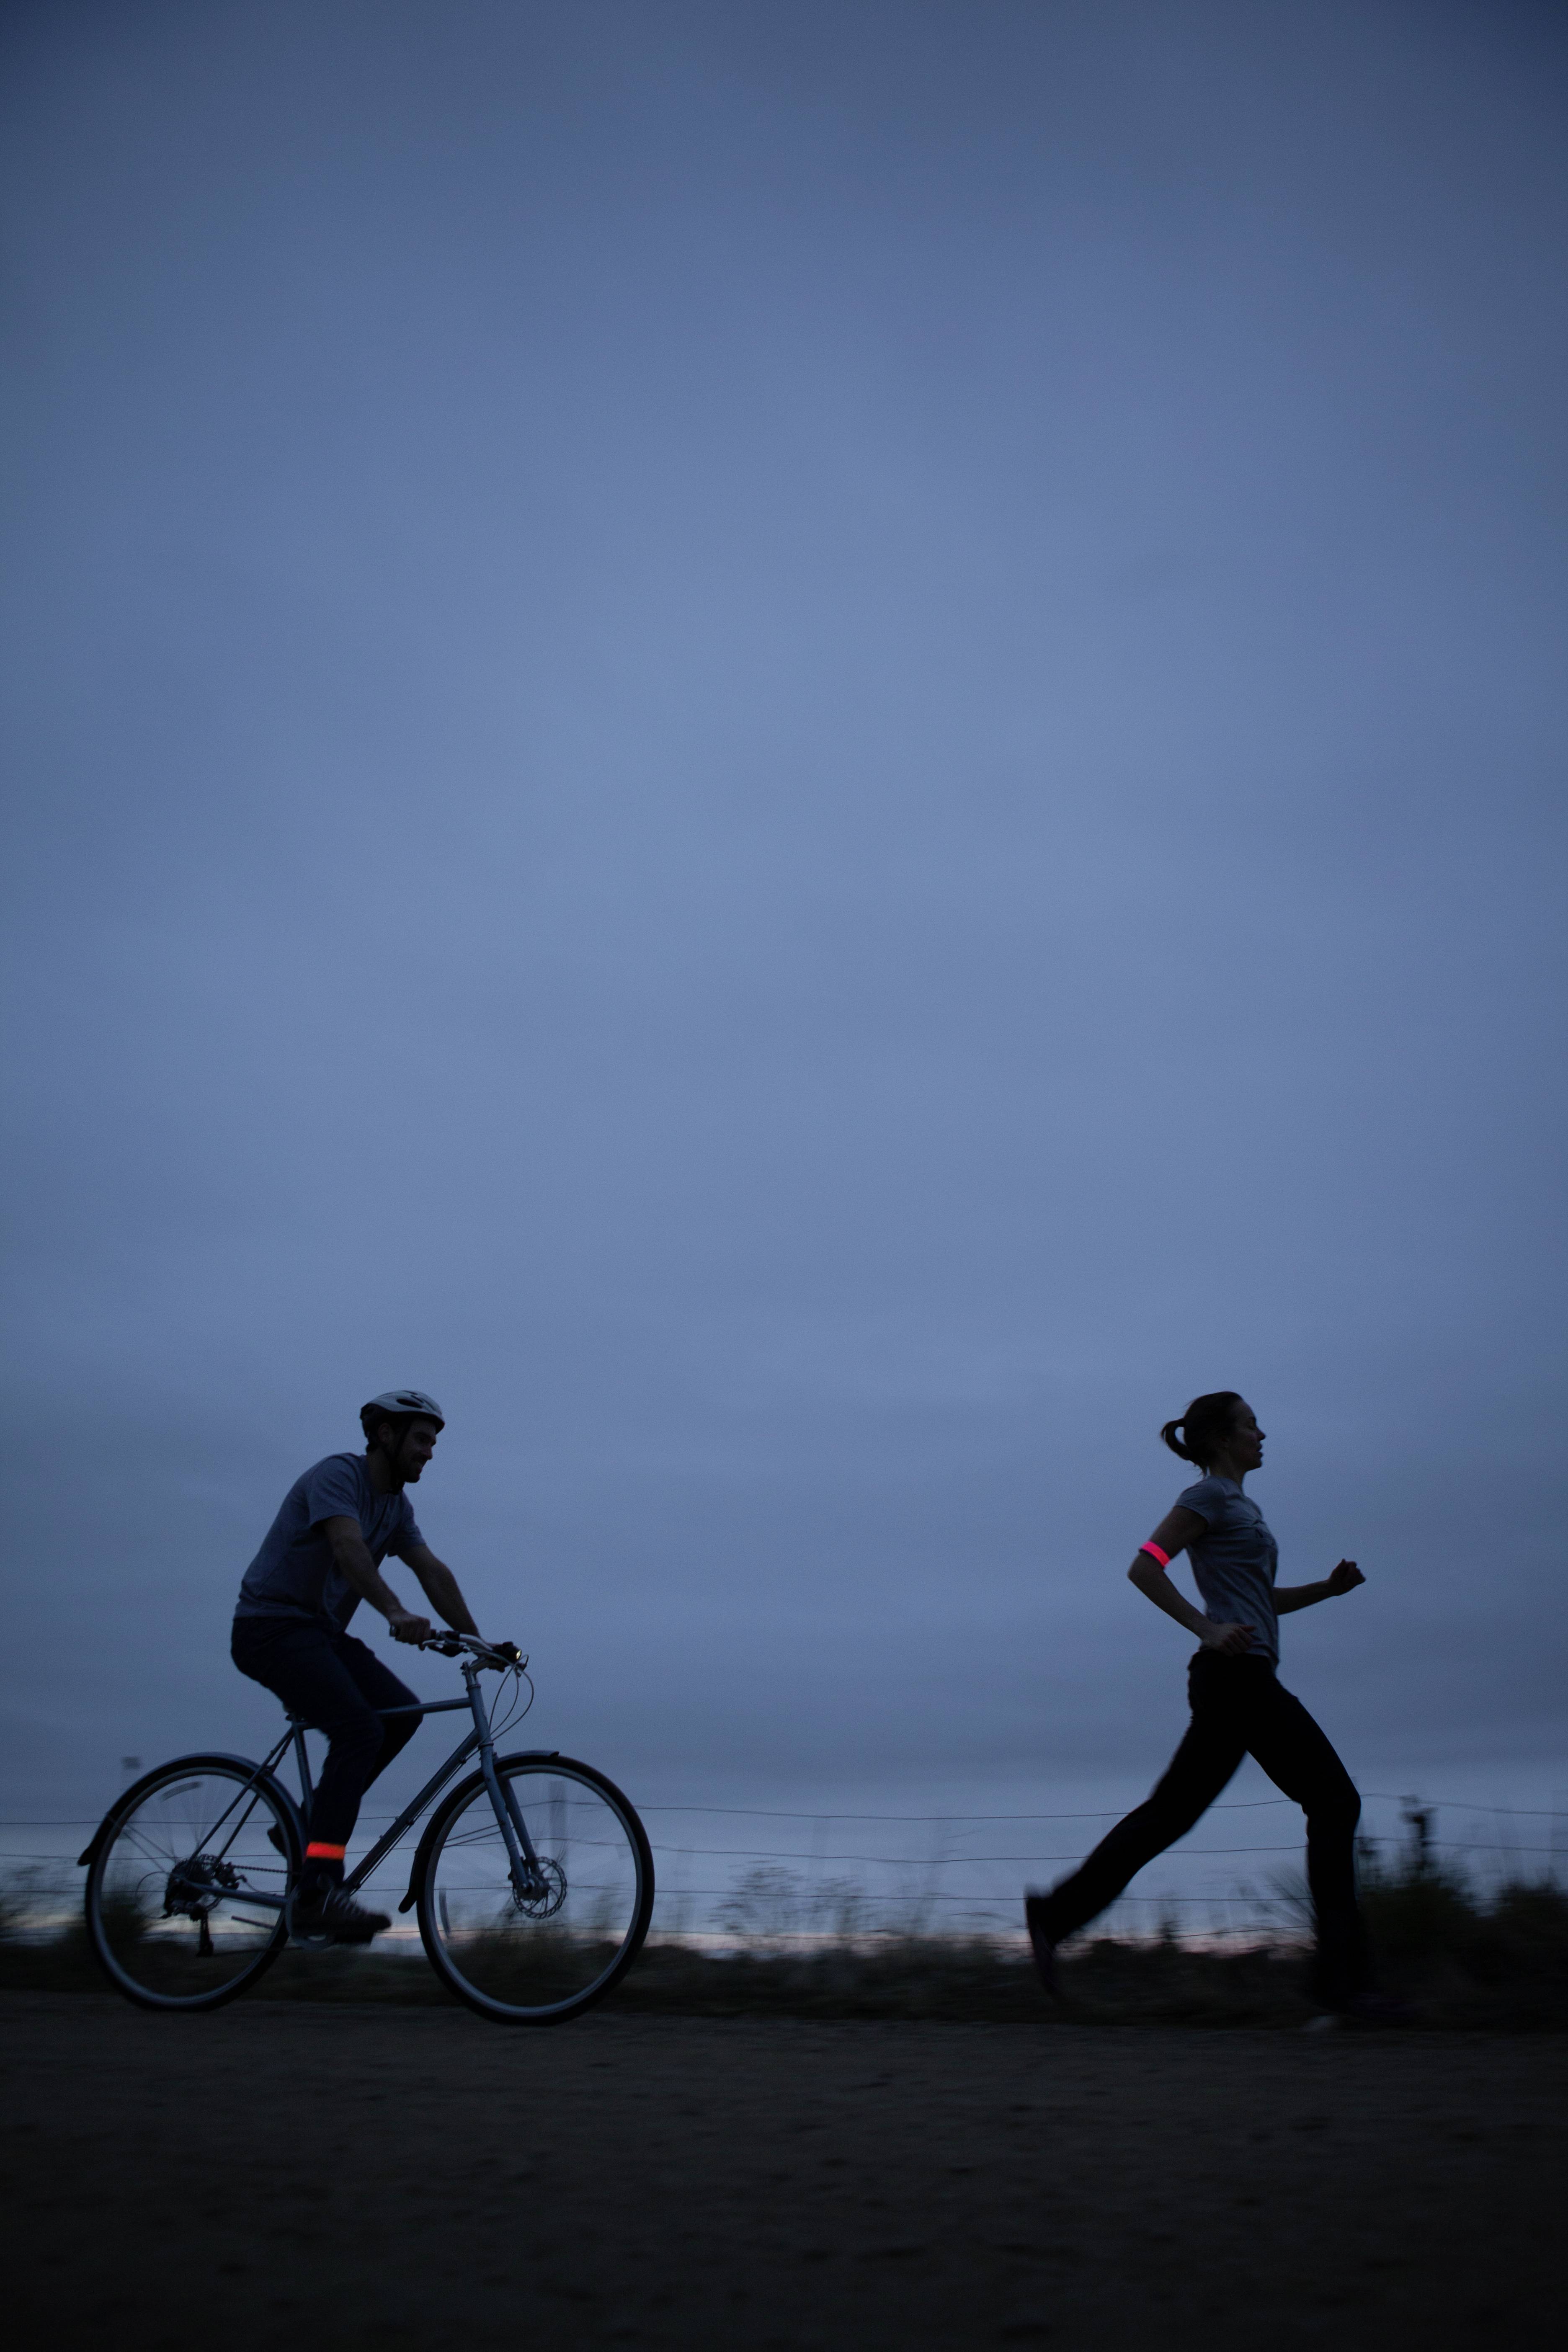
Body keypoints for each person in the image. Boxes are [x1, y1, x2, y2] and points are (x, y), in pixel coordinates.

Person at [1024, 1392, 1402, 2022]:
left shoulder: (1242, 1506)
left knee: (1172, 1814)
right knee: (1335, 1801)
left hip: (1239, 1675)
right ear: (1224, 1439)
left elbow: (1258, 1601)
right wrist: (1203, 1628)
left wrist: (1328, 1591)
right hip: (1236, 1679)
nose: (1262, 1433)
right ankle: (1344, 1986)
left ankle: (1055, 1915)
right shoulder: (1208, 1498)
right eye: (1251, 1424)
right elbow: (1145, 1566)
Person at [232, 1389, 484, 1944]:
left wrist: (478, 1640)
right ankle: (319, 1890)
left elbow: (431, 1571)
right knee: (359, 1730)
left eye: (435, 1442)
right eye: (422, 1439)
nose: (431, 1452)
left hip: (319, 1633)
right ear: (386, 1435)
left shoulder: (396, 1509)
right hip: (269, 1627)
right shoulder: (338, 1477)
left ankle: (299, 1828)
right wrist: (392, 1610)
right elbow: (348, 1547)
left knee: (402, 1715)